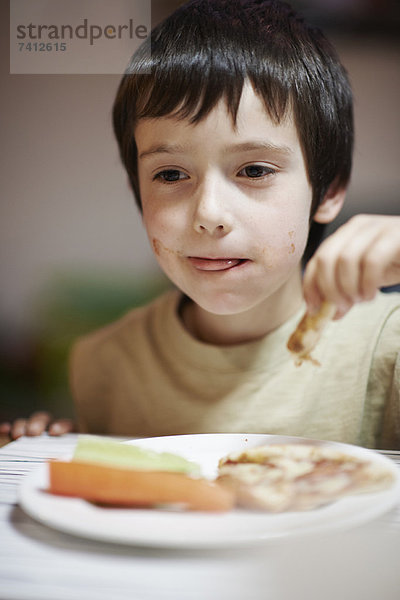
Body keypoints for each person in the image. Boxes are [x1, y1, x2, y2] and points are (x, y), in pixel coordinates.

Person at [2, 0, 399, 447]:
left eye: (254, 170)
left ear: (328, 191)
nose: (208, 214)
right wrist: (43, 449)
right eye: (171, 174)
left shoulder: (387, 347)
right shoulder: (103, 362)